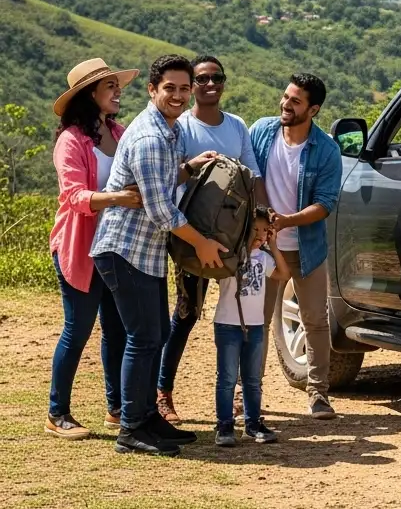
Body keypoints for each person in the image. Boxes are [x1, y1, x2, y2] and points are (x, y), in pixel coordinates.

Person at [90, 54, 226, 457]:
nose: (179, 95)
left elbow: (162, 182)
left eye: (185, 88)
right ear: (152, 90)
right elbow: (162, 210)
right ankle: (131, 428)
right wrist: (201, 242)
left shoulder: (168, 132)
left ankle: (148, 418)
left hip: (143, 252)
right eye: (170, 88)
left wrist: (187, 168)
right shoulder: (151, 136)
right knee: (143, 338)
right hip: (125, 249)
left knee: (154, 335)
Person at [156, 54, 264, 425]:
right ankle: (162, 392)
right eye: (201, 79)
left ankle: (237, 394)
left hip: (235, 239)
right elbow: (170, 179)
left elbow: (253, 178)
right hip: (192, 237)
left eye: (217, 76)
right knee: (185, 316)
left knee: (238, 315)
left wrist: (260, 220)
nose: (210, 84)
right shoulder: (181, 128)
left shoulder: (236, 126)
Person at [46, 59, 143, 440]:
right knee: (78, 329)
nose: (118, 92)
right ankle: (57, 413)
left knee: (116, 330)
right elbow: (72, 197)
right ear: (91, 95)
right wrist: (117, 197)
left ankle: (116, 409)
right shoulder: (70, 141)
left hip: (112, 248)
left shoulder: (118, 133)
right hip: (79, 248)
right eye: (109, 87)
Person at [250, 73, 342, 420]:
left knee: (315, 321)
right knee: (256, 322)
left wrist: (287, 220)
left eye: (295, 101)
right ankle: (250, 395)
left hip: (306, 246)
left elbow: (325, 203)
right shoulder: (261, 132)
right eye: (285, 97)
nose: (285, 105)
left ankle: (318, 395)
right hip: (262, 247)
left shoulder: (326, 150)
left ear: (313, 109)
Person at [213, 205, 285, 447]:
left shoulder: (264, 258)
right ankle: (224, 425)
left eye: (265, 230)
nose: (259, 234)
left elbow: (284, 274)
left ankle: (252, 424)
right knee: (227, 378)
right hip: (227, 324)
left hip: (255, 326)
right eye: (254, 229)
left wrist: (273, 245)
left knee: (252, 379)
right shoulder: (229, 255)